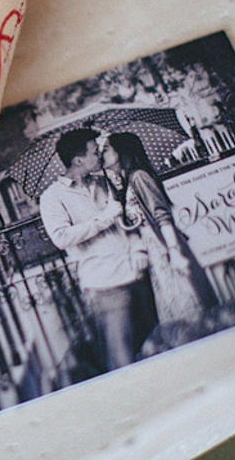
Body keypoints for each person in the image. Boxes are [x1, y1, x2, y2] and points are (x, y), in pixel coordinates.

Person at [39, 128, 157, 371]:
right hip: (106, 284)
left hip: (137, 273)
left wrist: (138, 249)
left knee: (152, 343)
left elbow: (126, 220)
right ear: (78, 160)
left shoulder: (105, 181)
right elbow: (61, 237)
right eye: (95, 152)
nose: (100, 156)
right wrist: (104, 218)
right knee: (122, 358)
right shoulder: (53, 197)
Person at [101, 132, 217, 328]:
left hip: (163, 248)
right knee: (173, 306)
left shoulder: (139, 177)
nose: (102, 154)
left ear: (121, 151)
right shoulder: (126, 181)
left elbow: (162, 215)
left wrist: (174, 251)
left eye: (106, 149)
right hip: (154, 254)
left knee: (187, 303)